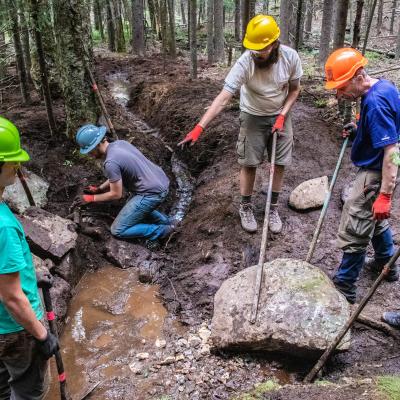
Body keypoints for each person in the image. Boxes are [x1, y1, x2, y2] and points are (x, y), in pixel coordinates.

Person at [179, 14, 303, 234]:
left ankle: (272, 208)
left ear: (274, 43)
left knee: (280, 162)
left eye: (262, 49)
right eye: (254, 49)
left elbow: (295, 90)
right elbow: (223, 97)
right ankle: (245, 206)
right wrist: (199, 127)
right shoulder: (246, 62)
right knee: (249, 162)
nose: (257, 53)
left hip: (281, 114)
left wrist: (283, 115)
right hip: (252, 115)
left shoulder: (290, 58)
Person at [324, 48, 400, 304]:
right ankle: (385, 263)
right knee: (374, 220)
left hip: (376, 173)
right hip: (379, 169)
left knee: (356, 223)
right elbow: (386, 130)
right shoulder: (384, 87)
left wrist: (385, 195)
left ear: (357, 77)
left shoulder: (375, 103)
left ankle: (345, 286)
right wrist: (359, 131)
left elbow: (392, 150)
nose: (339, 93)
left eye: (341, 86)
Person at [0, 116, 59, 399]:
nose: (17, 167)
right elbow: (11, 298)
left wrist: (28, 277)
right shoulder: (4, 226)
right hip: (14, 329)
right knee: (28, 392)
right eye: (12, 162)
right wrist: (42, 335)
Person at [74, 124, 173, 250]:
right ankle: (166, 221)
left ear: (96, 145)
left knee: (118, 230)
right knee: (132, 204)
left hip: (151, 193)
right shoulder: (120, 144)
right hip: (160, 181)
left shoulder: (110, 162)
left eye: (89, 151)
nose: (90, 155)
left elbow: (116, 194)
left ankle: (162, 231)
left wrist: (90, 198)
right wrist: (99, 189)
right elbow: (115, 177)